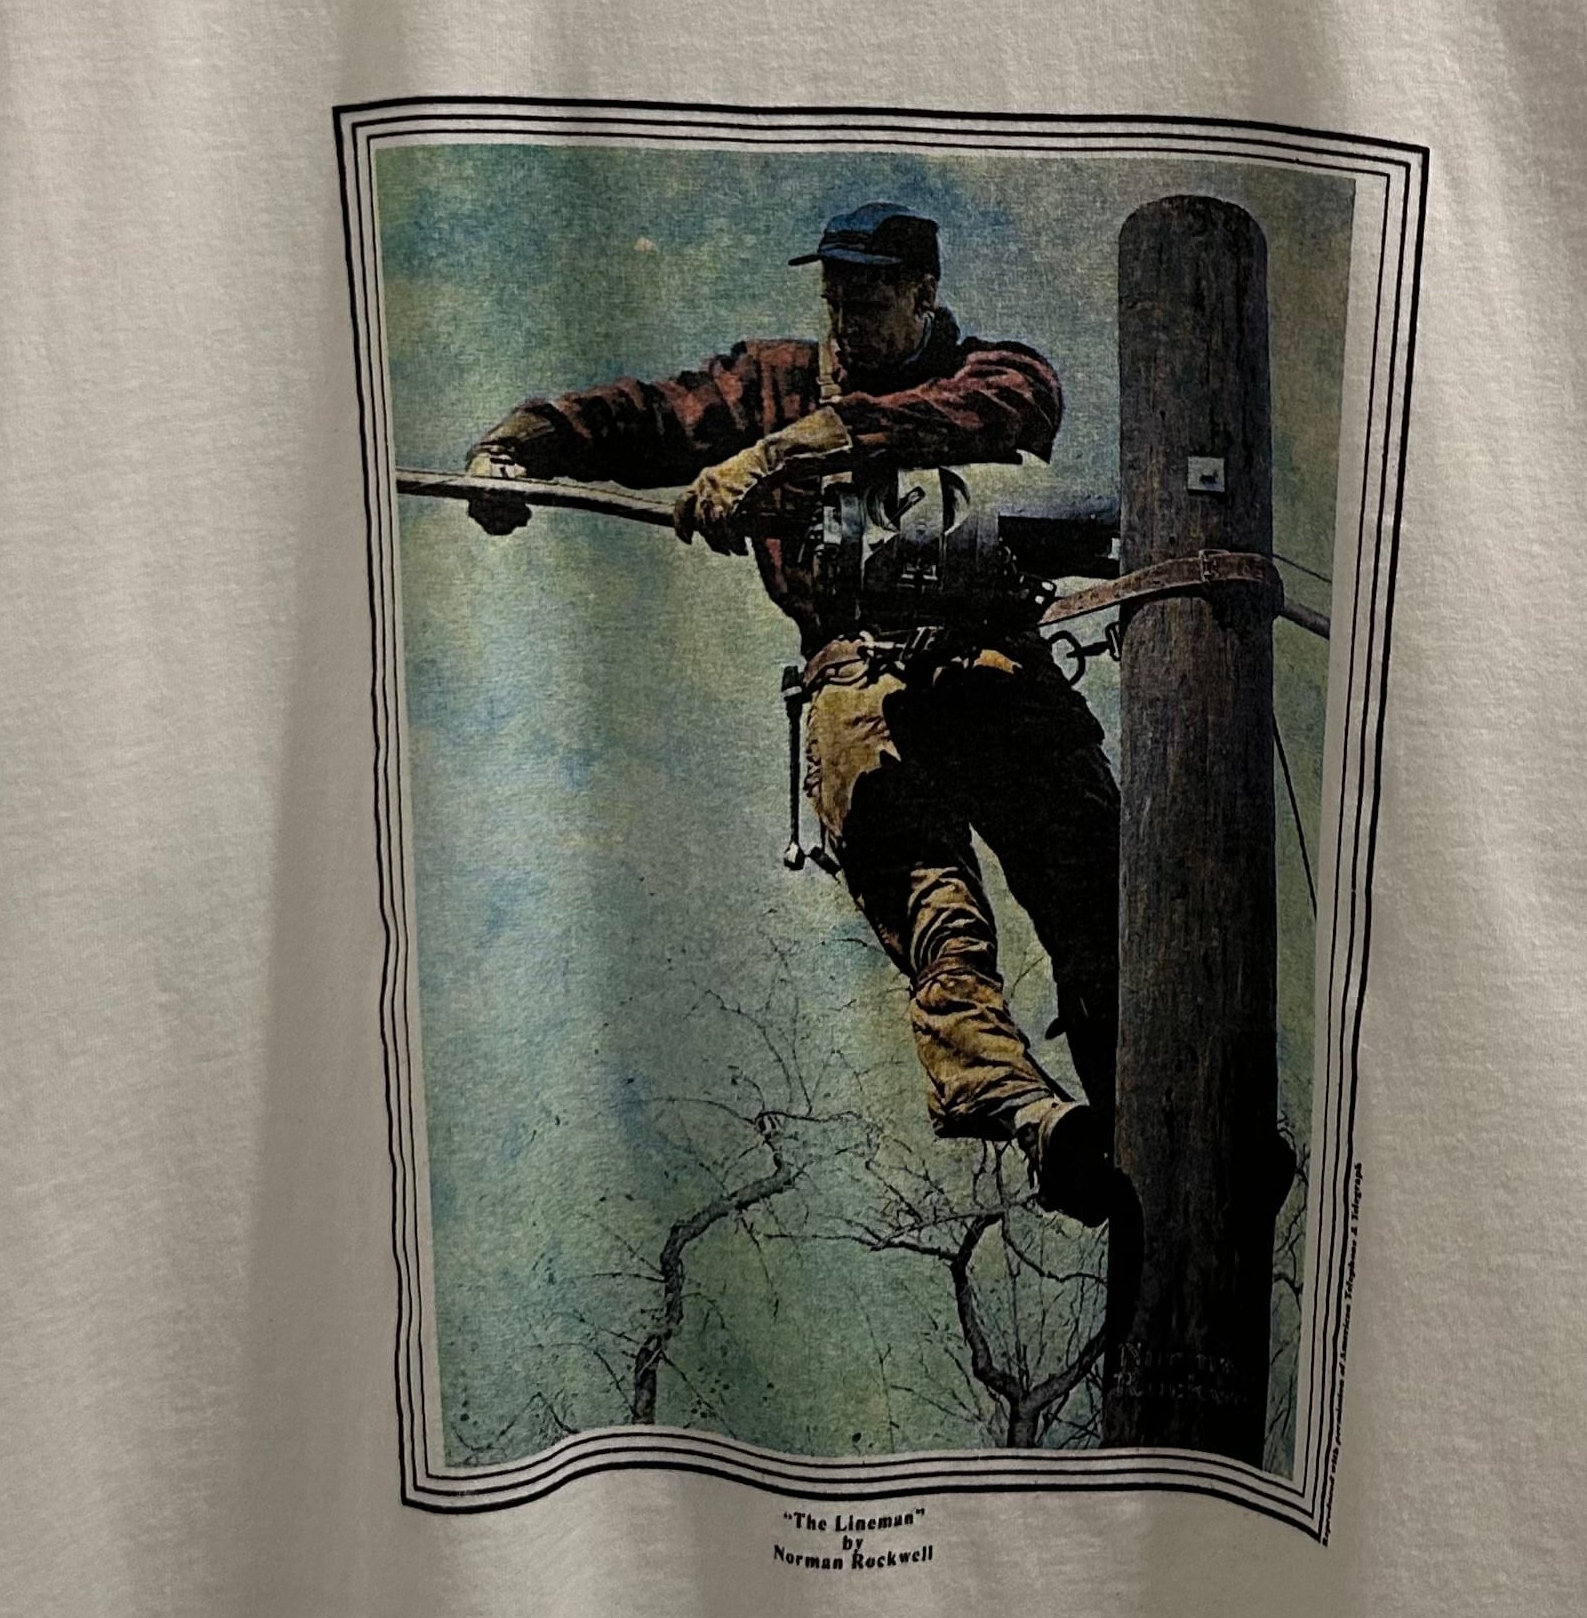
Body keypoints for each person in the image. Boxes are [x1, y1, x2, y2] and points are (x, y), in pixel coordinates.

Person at [460, 201, 1128, 1232]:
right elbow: (648, 417)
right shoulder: (773, 381)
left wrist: (787, 456)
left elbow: (998, 409)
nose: (846, 321)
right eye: (835, 297)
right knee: (937, 916)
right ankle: (1034, 1115)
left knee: (1107, 910)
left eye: (869, 298)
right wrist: (518, 448)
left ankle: (1164, 1118)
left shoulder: (995, 372)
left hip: (995, 672)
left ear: (925, 295)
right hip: (858, 681)